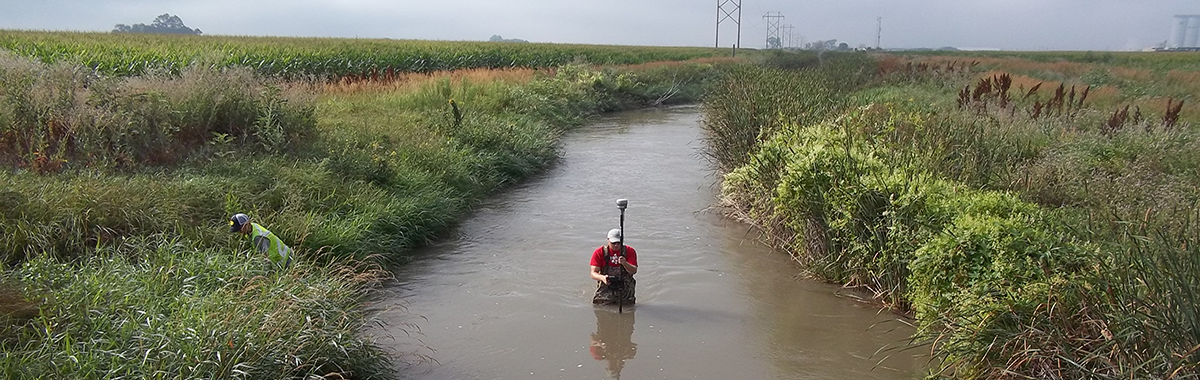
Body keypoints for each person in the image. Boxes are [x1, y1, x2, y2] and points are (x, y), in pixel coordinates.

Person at [590, 228, 637, 305]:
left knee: (628, 307)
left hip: (624, 285)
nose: (616, 245)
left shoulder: (630, 251)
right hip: (606, 283)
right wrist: (602, 278)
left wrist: (625, 263)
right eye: (613, 242)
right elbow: (593, 273)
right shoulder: (599, 252)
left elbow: (633, 270)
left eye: (619, 243)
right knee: (599, 305)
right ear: (608, 240)